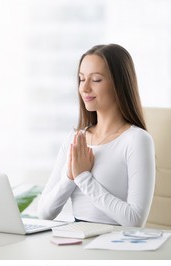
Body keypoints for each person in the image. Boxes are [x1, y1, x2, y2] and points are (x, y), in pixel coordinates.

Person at [37, 44, 155, 227]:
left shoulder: (136, 140)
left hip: (114, 246)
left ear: (119, 84)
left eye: (96, 80)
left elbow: (135, 220)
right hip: (76, 242)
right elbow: (44, 212)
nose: (84, 88)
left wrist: (83, 178)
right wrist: (70, 177)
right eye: (81, 79)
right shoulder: (75, 139)